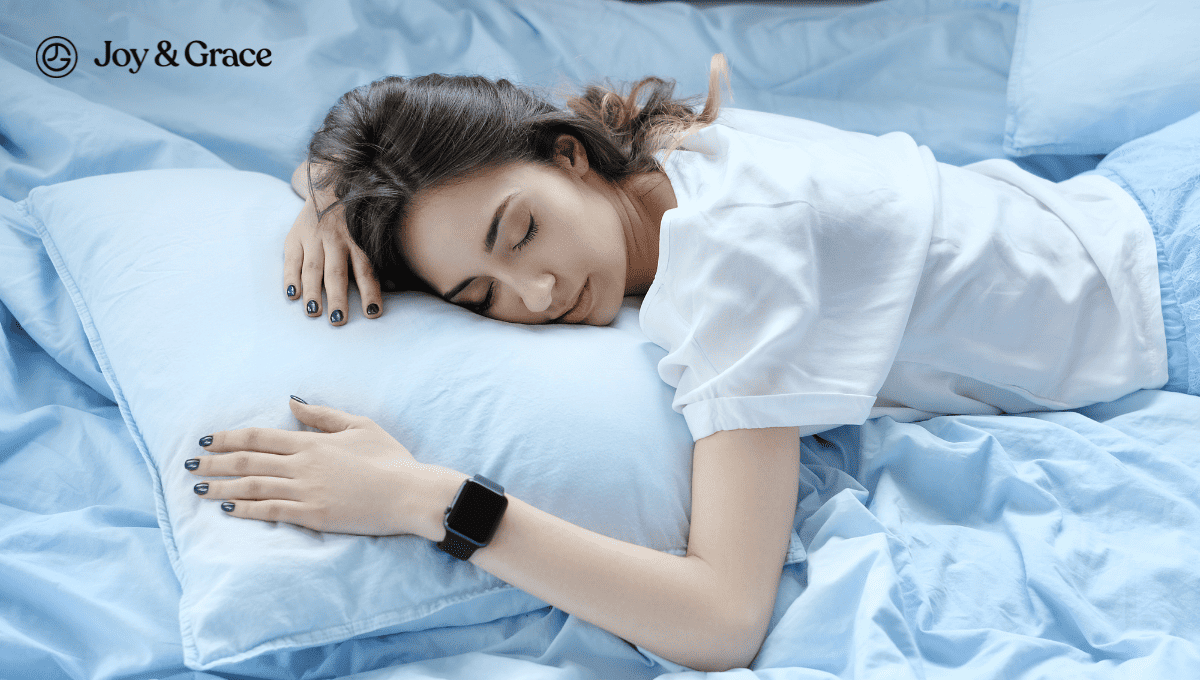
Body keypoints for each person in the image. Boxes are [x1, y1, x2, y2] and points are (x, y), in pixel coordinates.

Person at [184, 55, 1199, 672]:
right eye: (482, 294)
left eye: (522, 229)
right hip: (1135, 199)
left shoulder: (728, 262)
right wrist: (329, 195)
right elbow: (413, 133)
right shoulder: (645, 147)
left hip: (1172, 280)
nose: (535, 294)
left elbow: (720, 621)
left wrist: (430, 499)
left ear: (566, 154)